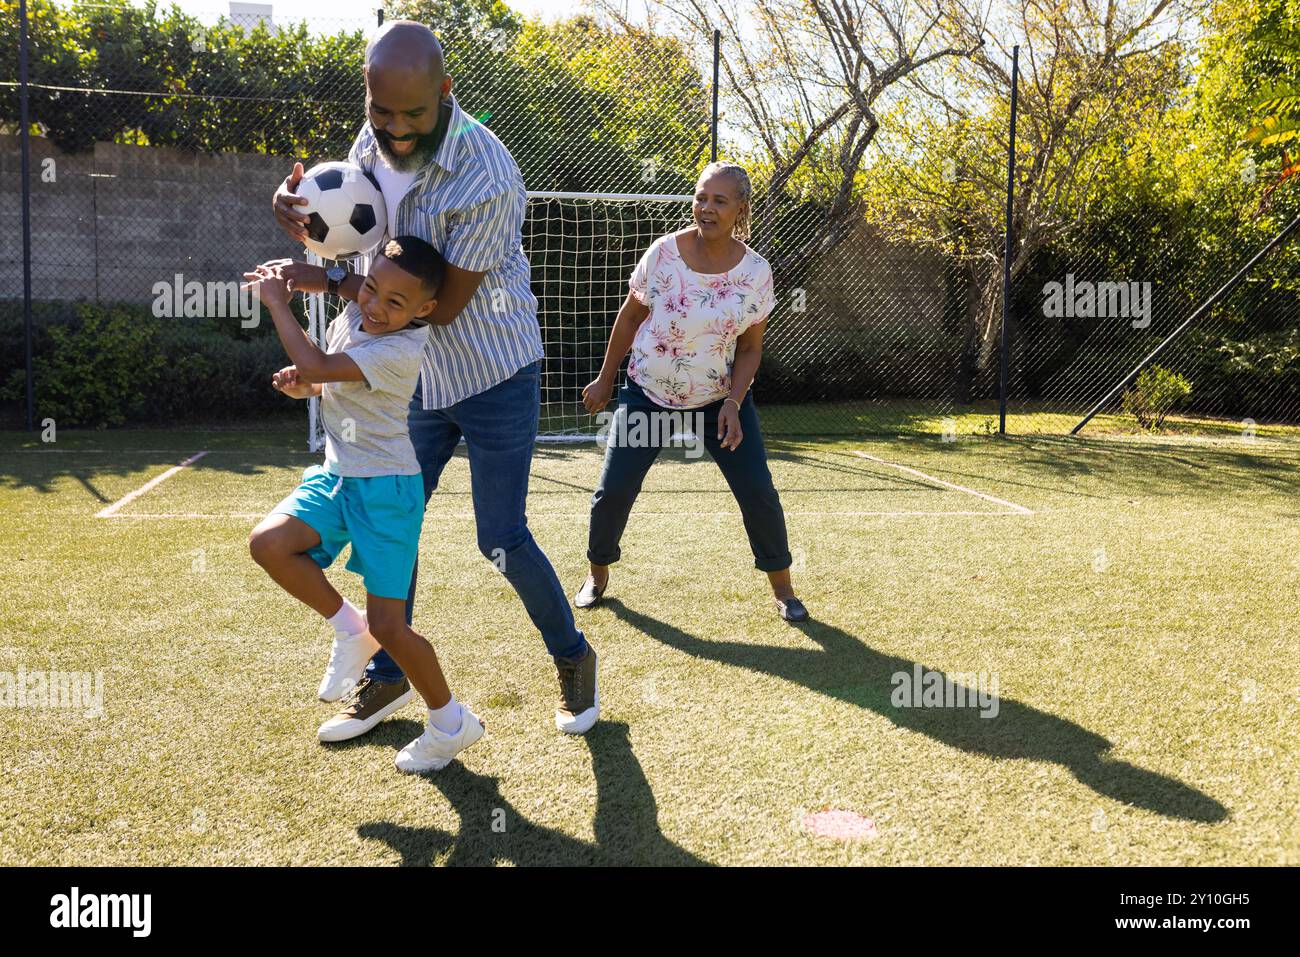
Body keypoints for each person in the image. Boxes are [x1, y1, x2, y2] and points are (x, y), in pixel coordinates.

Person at [270, 20, 598, 740]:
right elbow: (350, 230)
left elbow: (439, 307)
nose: (394, 130)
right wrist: (300, 220)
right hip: (409, 380)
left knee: (501, 535)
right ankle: (388, 675)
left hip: (491, 368)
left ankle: (573, 656)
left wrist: (326, 279)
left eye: (412, 115)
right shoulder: (369, 140)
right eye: (380, 112)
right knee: (392, 523)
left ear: (446, 93)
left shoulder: (487, 174)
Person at [245, 237, 484, 772]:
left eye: (394, 303)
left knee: (394, 628)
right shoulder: (354, 316)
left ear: (423, 310)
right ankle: (352, 630)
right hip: (338, 476)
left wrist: (279, 304)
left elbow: (319, 361)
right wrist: (307, 387)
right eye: (370, 288)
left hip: (387, 492)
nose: (375, 306)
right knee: (269, 544)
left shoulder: (402, 349)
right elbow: (327, 377)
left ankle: (451, 722)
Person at [577, 161, 810, 622]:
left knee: (758, 491)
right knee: (614, 490)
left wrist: (733, 403)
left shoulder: (756, 274)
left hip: (716, 403)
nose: (706, 208)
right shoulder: (663, 254)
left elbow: (750, 348)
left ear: (740, 209)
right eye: (701, 197)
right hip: (647, 393)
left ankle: (783, 589)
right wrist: (606, 378)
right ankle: (597, 573)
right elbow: (630, 316)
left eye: (719, 200)